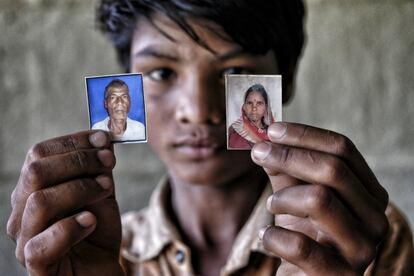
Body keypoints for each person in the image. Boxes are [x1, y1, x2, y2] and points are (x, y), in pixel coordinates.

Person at [6, 0, 414, 275]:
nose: (199, 110)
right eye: (162, 73)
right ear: (128, 84)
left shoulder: (357, 233)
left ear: (283, 81)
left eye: (234, 73)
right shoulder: (96, 249)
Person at [228, 84, 275, 149]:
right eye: (250, 103)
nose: (254, 108)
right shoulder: (234, 130)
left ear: (266, 108)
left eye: (259, 103)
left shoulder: (273, 133)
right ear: (244, 106)